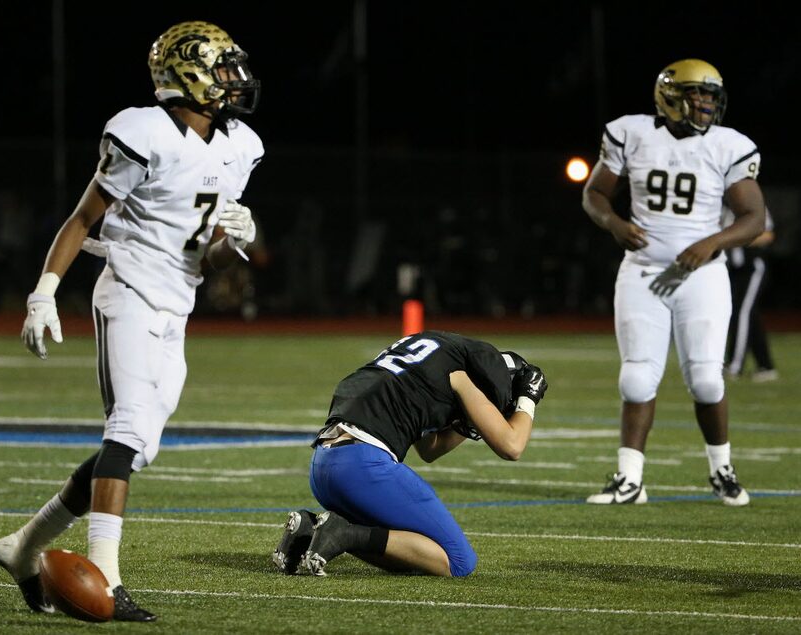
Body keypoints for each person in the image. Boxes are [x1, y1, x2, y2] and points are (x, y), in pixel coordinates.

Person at [0, 21, 264, 621]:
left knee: (137, 448)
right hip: (130, 291)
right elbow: (84, 217)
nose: (234, 79)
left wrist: (236, 241)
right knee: (127, 431)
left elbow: (211, 259)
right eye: (221, 67)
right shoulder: (143, 132)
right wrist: (45, 292)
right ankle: (109, 580)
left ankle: (24, 546)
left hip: (179, 302)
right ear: (187, 74)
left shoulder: (237, 144)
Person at [581, 59, 766, 507]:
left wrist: (713, 243)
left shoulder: (729, 145)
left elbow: (754, 217)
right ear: (670, 96)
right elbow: (594, 193)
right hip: (643, 270)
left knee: (705, 379)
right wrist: (614, 223)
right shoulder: (632, 132)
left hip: (701, 276)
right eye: (697, 94)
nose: (705, 104)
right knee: (637, 377)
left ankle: (721, 469)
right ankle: (630, 479)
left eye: (710, 96)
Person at [272, 330, 548, 577]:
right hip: (363, 466)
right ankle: (343, 532)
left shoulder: (433, 354)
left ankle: (310, 533)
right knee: (458, 562)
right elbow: (512, 445)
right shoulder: (461, 376)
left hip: (324, 465)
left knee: (417, 555)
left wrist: (467, 422)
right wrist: (528, 399)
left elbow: (430, 449)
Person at [725, 206, 778, 381]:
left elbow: (768, 235)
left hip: (752, 267)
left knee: (742, 313)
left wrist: (736, 239)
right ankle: (766, 366)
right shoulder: (721, 207)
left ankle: (734, 365)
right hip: (732, 270)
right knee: (750, 316)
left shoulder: (752, 202)